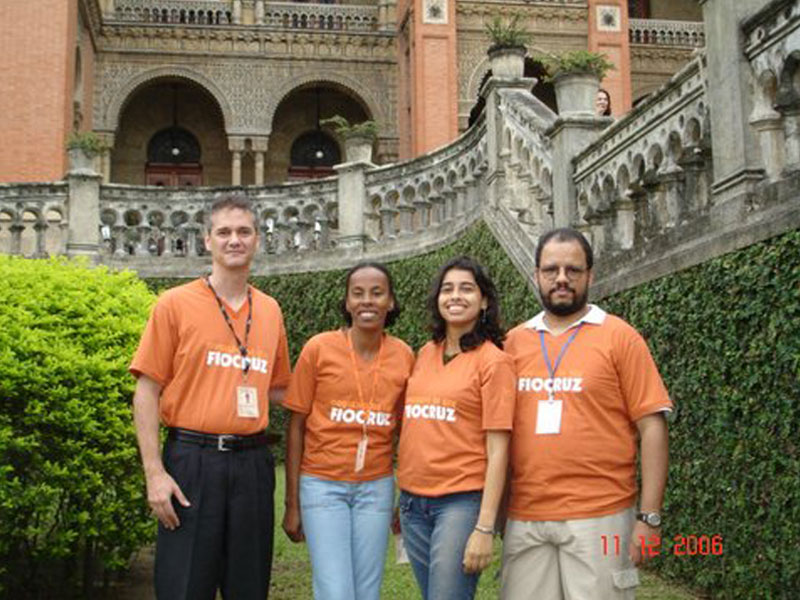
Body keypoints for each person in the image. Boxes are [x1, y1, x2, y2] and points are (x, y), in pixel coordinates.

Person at [130, 196, 291, 599]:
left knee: (248, 586)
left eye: (243, 232)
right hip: (191, 462)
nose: (234, 240)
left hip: (253, 464)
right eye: (224, 232)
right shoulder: (174, 304)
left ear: (257, 240)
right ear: (207, 241)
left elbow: (279, 388)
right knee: (185, 585)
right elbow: (147, 391)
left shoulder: (270, 310)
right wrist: (154, 473)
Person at [501, 228, 672, 600]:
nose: (561, 279)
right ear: (536, 275)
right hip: (525, 515)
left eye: (573, 270)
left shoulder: (620, 337)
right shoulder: (512, 343)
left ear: (590, 275)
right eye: (551, 270)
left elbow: (653, 426)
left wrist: (649, 518)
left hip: (601, 512)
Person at [282, 262, 414, 600]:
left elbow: (408, 432)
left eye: (376, 293)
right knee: (335, 591)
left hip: (376, 487)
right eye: (357, 294)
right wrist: (292, 503)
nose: (367, 301)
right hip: (322, 486)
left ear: (391, 302)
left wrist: (406, 494)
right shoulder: (319, 349)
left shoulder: (403, 356)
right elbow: (296, 426)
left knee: (367, 591)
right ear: (346, 303)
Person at [397, 256, 516, 600]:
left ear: (485, 301)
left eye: (467, 288)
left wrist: (484, 526)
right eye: (447, 289)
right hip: (412, 505)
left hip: (460, 504)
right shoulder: (423, 354)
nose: (455, 296)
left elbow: (499, 451)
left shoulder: (494, 362)